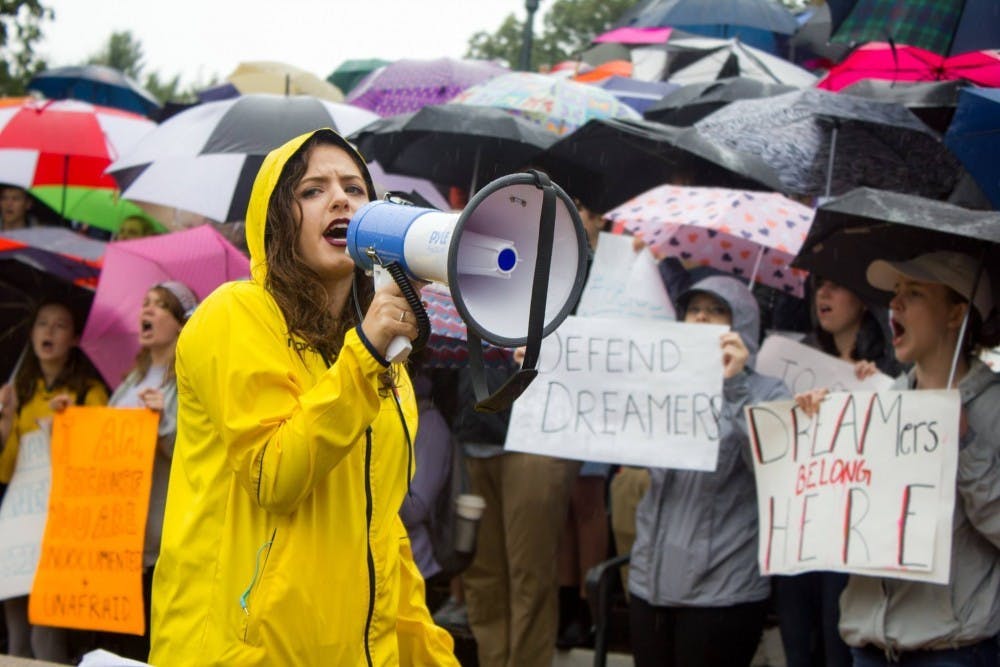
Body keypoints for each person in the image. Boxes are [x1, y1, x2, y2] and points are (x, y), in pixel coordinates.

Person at [148, 128, 457, 665]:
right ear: (276, 221)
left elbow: (382, 536)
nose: (340, 198)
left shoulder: (382, 358)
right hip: (240, 652)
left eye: (355, 188)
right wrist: (367, 355)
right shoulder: (236, 314)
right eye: (312, 190)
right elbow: (275, 474)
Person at [797, 251, 1000, 666]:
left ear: (955, 314)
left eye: (915, 292)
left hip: (953, 651)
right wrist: (818, 434)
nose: (895, 304)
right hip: (869, 647)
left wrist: (966, 445)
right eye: (895, 292)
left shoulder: (994, 406)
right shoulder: (880, 406)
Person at [628, 275, 789, 667]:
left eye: (717, 310)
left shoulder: (770, 393)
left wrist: (734, 387)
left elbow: (774, 472)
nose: (701, 318)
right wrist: (549, 367)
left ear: (743, 326)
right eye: (694, 309)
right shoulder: (663, 384)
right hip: (649, 583)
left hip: (722, 590)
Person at [774, 276, 901, 667]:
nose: (822, 295)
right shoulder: (793, 363)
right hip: (798, 531)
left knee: (837, 645)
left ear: (863, 302)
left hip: (850, 539)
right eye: (818, 287)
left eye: (835, 286)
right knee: (797, 644)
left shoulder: (889, 370)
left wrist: (877, 387)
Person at [0, 300, 108, 662]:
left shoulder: (88, 392)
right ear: (31, 334)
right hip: (19, 521)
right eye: (42, 323)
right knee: (16, 627)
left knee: (46, 628)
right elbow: (6, 470)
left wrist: (72, 422)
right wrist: (6, 424)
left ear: (74, 338)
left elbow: (103, 458)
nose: (48, 331)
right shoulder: (18, 393)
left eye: (59, 325)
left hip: (62, 522)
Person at [95, 281, 196, 661]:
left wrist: (163, 423)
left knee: (140, 645)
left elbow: (192, 449)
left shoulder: (185, 382)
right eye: (145, 303)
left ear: (180, 324)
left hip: (155, 538)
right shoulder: (131, 381)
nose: (147, 311)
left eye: (160, 306)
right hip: (115, 535)